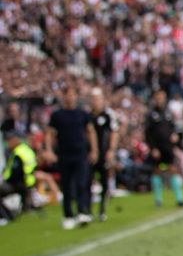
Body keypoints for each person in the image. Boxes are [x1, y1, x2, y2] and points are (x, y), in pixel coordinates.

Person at [47, 85, 94, 230]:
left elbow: (90, 131)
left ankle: (82, 211)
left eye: (73, 94)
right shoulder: (57, 115)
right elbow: (50, 133)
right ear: (64, 96)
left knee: (81, 183)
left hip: (80, 153)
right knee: (66, 186)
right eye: (68, 94)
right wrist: (49, 150)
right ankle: (68, 215)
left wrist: (94, 149)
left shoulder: (82, 114)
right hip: (64, 154)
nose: (70, 97)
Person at [144, 92, 183, 209]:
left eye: (162, 98)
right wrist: (153, 148)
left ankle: (180, 199)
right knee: (157, 171)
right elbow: (148, 134)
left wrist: (175, 135)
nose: (160, 100)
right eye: (158, 98)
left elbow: (174, 127)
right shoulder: (151, 115)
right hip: (157, 148)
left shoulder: (168, 112)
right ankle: (158, 200)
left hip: (168, 147)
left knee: (173, 170)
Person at [88, 88, 118, 222]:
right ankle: (87, 210)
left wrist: (111, 150)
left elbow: (114, 132)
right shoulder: (88, 115)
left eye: (98, 98)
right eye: (93, 99)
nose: (95, 102)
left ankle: (102, 210)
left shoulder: (108, 115)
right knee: (87, 181)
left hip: (104, 153)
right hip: (90, 154)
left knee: (104, 181)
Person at [0, 128, 39, 226]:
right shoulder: (25, 150)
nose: (8, 142)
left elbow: (15, 173)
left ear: (16, 140)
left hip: (19, 183)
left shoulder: (18, 153)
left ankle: (6, 217)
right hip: (28, 182)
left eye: (9, 140)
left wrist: (5, 180)